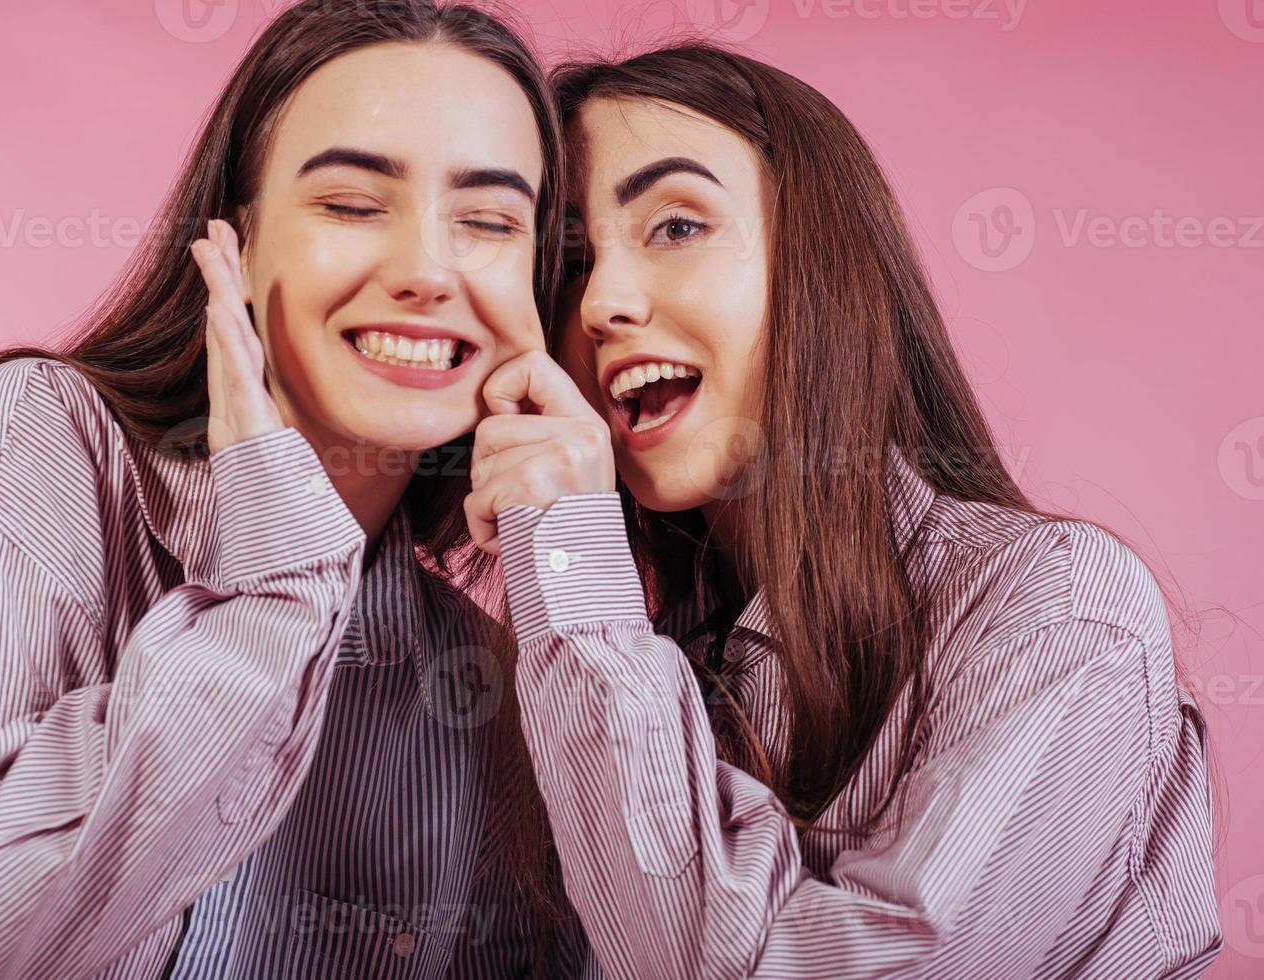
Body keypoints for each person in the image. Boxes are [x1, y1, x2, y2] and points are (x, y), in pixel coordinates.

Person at [0, 2, 595, 976]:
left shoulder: (471, 676)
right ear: (239, 244)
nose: (428, 270)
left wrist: (580, 570)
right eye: (351, 203)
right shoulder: (37, 442)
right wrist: (277, 593)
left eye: (487, 221)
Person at [465, 43, 1223, 979]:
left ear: (824, 262)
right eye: (571, 260)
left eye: (676, 226)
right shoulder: (638, 656)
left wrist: (573, 579)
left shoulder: (1060, 609)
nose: (603, 303)